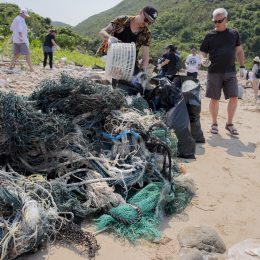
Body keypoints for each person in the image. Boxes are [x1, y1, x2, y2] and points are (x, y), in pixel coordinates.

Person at [200, 8, 245, 135]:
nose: (217, 23)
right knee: (214, 99)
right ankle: (214, 124)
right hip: (214, 71)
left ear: (226, 19)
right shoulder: (209, 35)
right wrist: (203, 59)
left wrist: (242, 66)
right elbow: (203, 50)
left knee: (234, 97)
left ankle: (229, 123)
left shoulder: (234, 34)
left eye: (219, 21)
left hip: (231, 71)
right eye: (215, 21)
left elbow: (239, 50)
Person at [98, 5, 158, 76]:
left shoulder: (147, 33)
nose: (146, 23)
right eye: (146, 20)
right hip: (110, 57)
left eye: (150, 22)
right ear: (141, 12)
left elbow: (145, 57)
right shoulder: (122, 20)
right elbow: (102, 32)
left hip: (129, 65)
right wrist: (109, 38)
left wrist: (143, 71)